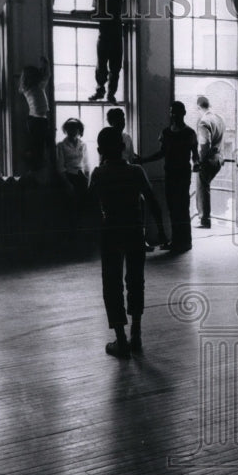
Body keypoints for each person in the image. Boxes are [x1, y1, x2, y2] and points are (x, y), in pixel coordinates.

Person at [88, 127, 152, 358]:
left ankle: (121, 339)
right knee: (136, 280)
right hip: (134, 230)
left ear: (99, 150)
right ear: (123, 147)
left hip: (111, 231)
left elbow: (89, 205)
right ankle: (136, 333)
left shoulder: (98, 174)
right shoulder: (136, 171)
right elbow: (151, 199)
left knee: (112, 283)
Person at [104, 108, 168, 249]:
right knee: (132, 207)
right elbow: (104, 159)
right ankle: (135, 239)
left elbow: (131, 156)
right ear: (111, 121)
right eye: (119, 119)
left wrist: (138, 159)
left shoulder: (127, 137)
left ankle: (160, 234)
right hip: (117, 176)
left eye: (123, 118)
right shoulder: (108, 137)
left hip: (130, 172)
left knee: (149, 200)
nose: (122, 122)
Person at [142, 101, 198, 253]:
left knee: (182, 208)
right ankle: (176, 240)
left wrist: (197, 163)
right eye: (172, 112)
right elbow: (162, 153)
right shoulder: (166, 133)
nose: (174, 115)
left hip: (183, 175)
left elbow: (195, 155)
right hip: (170, 174)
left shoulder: (190, 133)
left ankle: (185, 242)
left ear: (184, 113)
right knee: (173, 208)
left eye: (177, 112)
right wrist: (144, 160)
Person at [88, 0, 129, 103]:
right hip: (104, 35)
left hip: (116, 36)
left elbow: (127, 11)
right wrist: (79, 12)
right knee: (101, 65)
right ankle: (100, 90)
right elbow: (94, 13)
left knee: (115, 67)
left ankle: (111, 94)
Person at [195, 95, 225, 228]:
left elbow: (204, 144)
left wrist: (199, 162)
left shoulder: (203, 122)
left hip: (208, 160)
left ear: (198, 107)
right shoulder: (219, 118)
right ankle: (205, 218)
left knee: (202, 188)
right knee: (205, 187)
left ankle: (204, 220)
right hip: (218, 159)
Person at [19, 56, 51, 170]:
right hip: (36, 120)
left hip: (39, 120)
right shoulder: (30, 88)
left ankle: (37, 164)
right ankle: (34, 164)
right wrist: (44, 65)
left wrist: (44, 65)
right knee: (37, 147)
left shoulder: (35, 87)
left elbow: (46, 76)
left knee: (39, 146)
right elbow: (45, 76)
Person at [56, 118, 90, 198]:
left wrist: (87, 179)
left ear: (79, 130)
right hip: (68, 176)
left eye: (75, 128)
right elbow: (60, 167)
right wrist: (67, 184)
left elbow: (86, 164)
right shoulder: (61, 145)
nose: (73, 131)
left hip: (81, 176)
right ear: (66, 130)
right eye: (70, 128)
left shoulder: (83, 145)